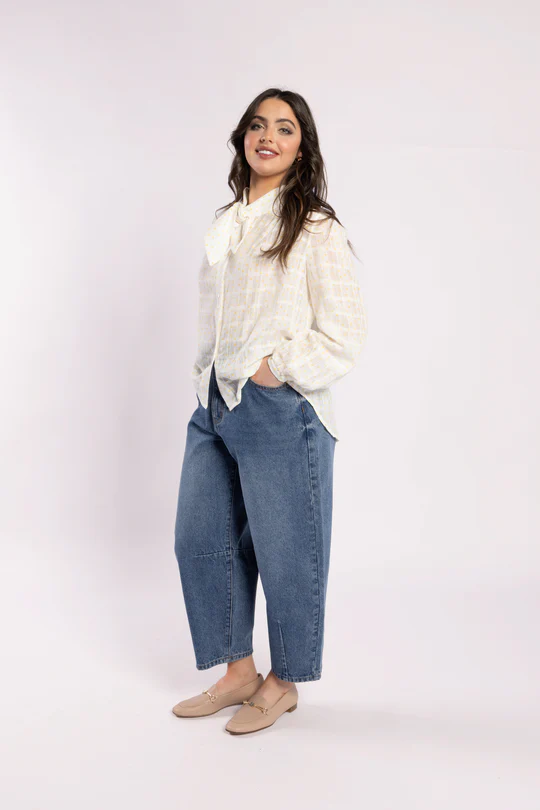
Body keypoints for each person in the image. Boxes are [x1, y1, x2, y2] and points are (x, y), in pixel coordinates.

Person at [172, 88, 367, 734]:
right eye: (258, 125)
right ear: (242, 139)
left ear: (301, 148)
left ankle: (283, 683)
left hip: (280, 408)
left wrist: (273, 371)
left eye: (285, 128)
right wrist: (209, 377)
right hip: (216, 402)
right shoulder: (228, 222)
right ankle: (238, 672)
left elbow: (345, 331)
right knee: (200, 538)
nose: (268, 136)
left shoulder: (313, 226)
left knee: (288, 551)